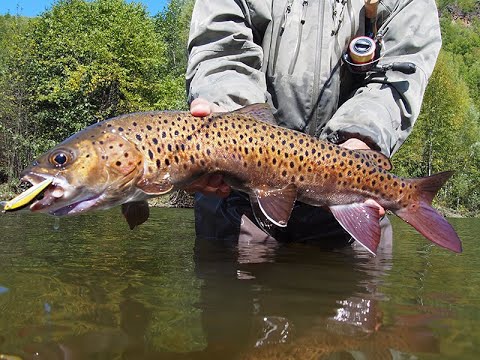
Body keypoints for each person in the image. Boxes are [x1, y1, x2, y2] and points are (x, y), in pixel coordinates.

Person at [184, 0, 441, 247]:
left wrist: (360, 139)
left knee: (356, 287)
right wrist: (229, 119)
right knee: (228, 288)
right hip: (238, 197)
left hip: (350, 192)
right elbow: (222, 53)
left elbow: (399, 75)